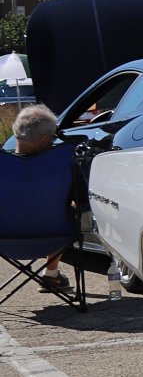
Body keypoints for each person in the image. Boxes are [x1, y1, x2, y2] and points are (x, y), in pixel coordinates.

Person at [10, 104, 69, 291]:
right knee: (68, 209)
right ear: (44, 140)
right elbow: (81, 200)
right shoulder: (61, 165)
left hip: (4, 242)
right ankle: (51, 273)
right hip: (51, 239)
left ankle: (52, 275)